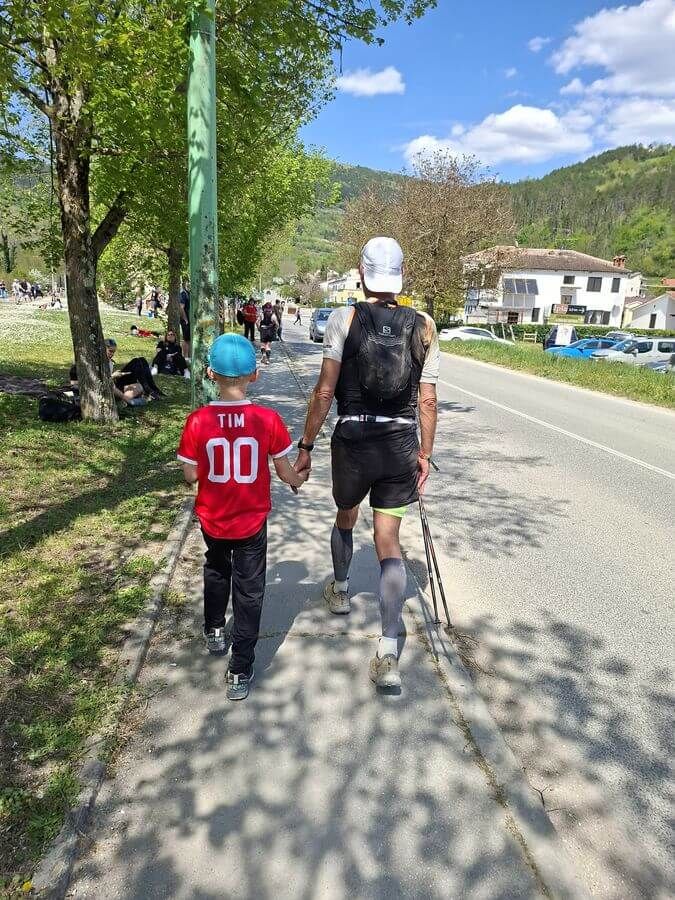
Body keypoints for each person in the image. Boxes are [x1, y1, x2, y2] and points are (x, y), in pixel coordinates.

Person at [294, 237, 440, 691]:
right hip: (399, 444)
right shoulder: (424, 326)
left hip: (353, 441)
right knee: (388, 541)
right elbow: (428, 401)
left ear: (362, 273)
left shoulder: (345, 319)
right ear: (401, 275)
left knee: (346, 514)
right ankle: (388, 650)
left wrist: (306, 445)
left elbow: (324, 391)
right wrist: (425, 455)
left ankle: (340, 590)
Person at [177, 333, 308, 700]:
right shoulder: (268, 420)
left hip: (213, 518)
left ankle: (214, 628)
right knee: (250, 592)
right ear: (254, 375)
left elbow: (190, 475)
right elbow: (284, 471)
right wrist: (298, 479)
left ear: (209, 374)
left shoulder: (198, 421)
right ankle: (240, 668)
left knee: (217, 569)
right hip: (251, 522)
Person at [179, 281, 191, 358]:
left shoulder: (189, 293)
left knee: (189, 339)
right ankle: (185, 357)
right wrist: (185, 319)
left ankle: (188, 356)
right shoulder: (183, 294)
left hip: (189, 319)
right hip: (185, 320)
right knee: (186, 339)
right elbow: (181, 307)